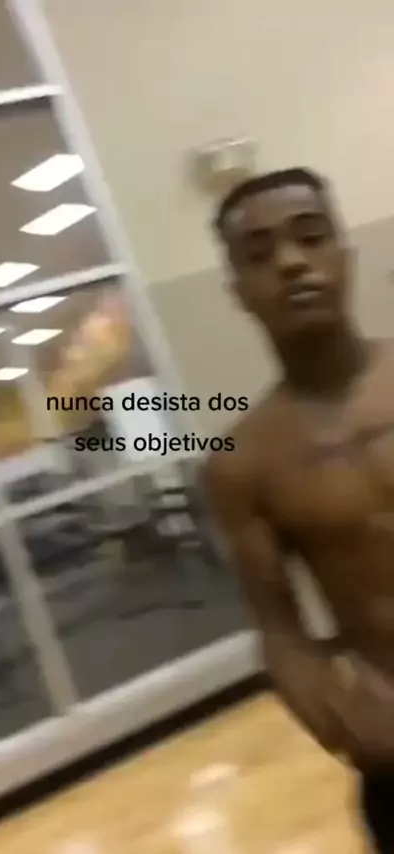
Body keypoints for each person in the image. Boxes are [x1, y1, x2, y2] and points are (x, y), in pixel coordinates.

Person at [204, 168, 394, 851]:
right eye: (260, 255)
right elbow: (280, 632)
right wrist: (337, 722)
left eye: (310, 238)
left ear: (345, 254)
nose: (290, 262)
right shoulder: (244, 463)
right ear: (238, 293)